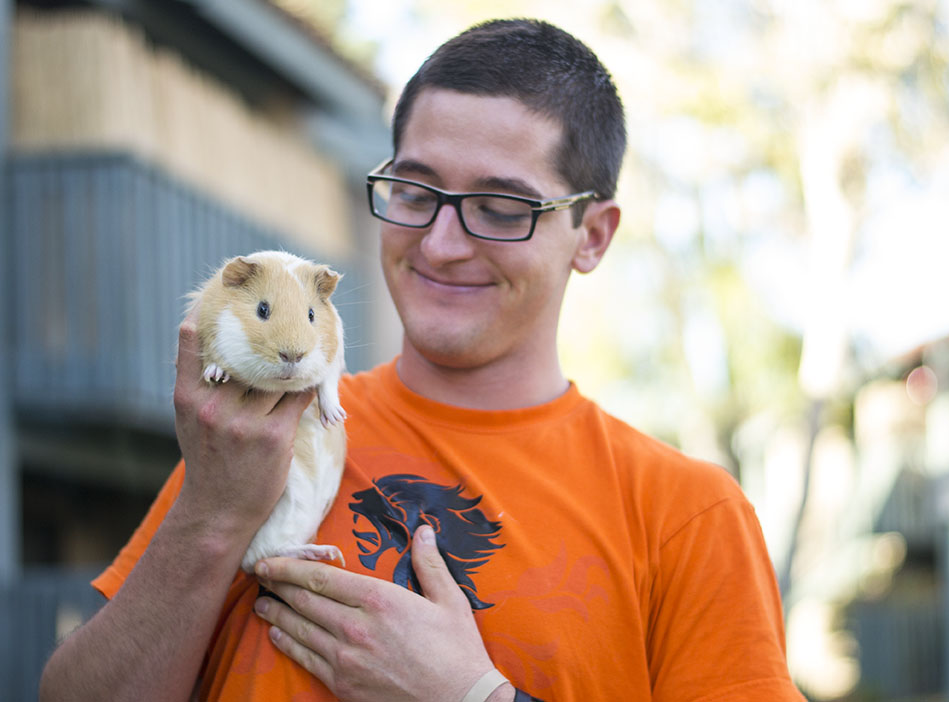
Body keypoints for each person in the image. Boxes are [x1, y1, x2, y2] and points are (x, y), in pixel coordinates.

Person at [40, 18, 805, 702]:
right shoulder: (265, 429)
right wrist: (211, 517)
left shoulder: (685, 517)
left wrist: (470, 696)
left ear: (594, 236)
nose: (440, 244)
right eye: (415, 190)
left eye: (501, 208)